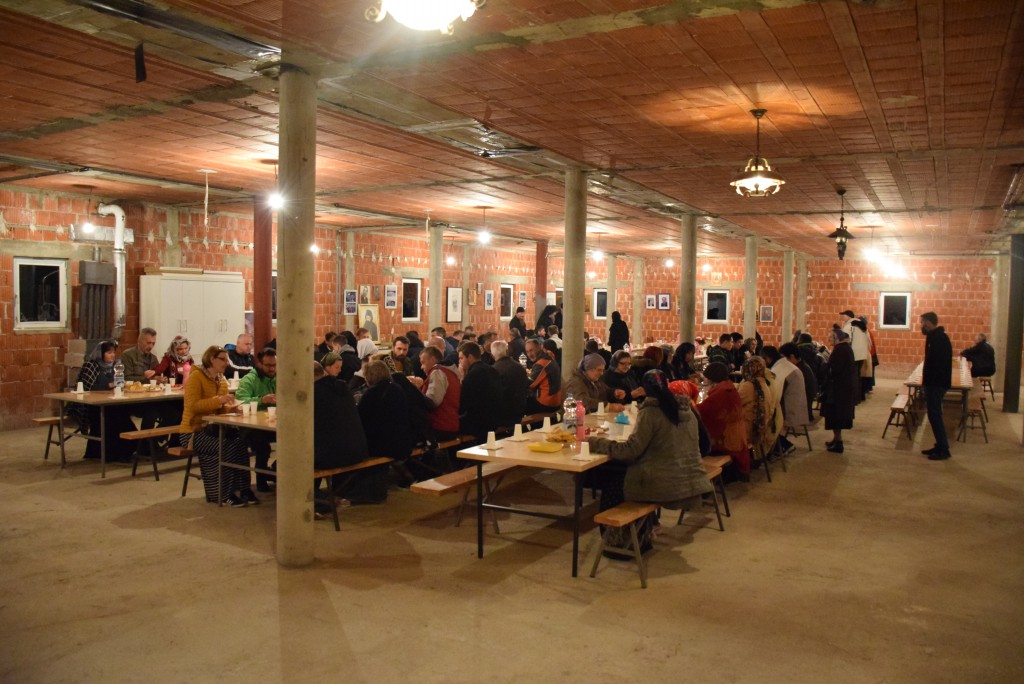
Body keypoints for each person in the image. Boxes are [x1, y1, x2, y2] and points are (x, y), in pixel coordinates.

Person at [586, 370, 713, 555]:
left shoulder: (651, 412)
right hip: (687, 478)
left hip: (663, 483)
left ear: (645, 389)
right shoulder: (686, 410)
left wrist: (595, 443)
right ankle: (648, 527)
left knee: (613, 486)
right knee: (622, 474)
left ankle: (619, 542)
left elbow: (630, 450)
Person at [180, 346, 255, 506]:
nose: (226, 363)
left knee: (240, 444)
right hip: (192, 432)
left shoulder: (221, 380)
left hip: (213, 428)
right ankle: (223, 493)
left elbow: (220, 410)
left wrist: (232, 408)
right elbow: (193, 406)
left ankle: (244, 489)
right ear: (211, 359)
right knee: (226, 447)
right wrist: (218, 400)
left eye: (227, 360)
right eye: (223, 359)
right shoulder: (196, 377)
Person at [312, 360, 371, 515]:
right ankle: (320, 496)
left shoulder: (314, 392)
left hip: (334, 455)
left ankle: (315, 499)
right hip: (357, 450)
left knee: (299, 457)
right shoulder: (342, 387)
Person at [356, 361, 413, 502]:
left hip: (382, 445)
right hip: (401, 441)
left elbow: (360, 418)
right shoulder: (397, 388)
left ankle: (358, 491)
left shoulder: (371, 393)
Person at [72, 340, 138, 462]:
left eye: (113, 352)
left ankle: (125, 451)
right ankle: (108, 453)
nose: (112, 355)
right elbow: (89, 388)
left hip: (112, 402)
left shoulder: (116, 366)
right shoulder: (91, 366)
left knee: (122, 413)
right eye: (109, 352)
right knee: (112, 416)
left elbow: (119, 384)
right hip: (93, 405)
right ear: (100, 353)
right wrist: (110, 384)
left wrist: (121, 384)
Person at [696, 362, 750, 478]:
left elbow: (699, 412)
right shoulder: (729, 388)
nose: (704, 381)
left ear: (711, 378)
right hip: (736, 438)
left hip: (726, 442)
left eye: (705, 378)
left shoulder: (720, 393)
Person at [235, 348, 278, 492]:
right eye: (268, 365)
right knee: (262, 445)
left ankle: (276, 471)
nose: (272, 369)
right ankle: (261, 479)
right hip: (250, 426)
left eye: (274, 365)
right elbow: (240, 401)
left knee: (295, 439)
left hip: (271, 423)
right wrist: (261, 400)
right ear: (259, 364)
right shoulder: (249, 379)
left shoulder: (279, 378)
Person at [762, 345, 810, 455]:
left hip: (789, 410)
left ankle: (781, 446)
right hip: (797, 405)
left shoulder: (780, 369)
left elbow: (774, 395)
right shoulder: (786, 366)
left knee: (763, 419)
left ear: (767, 359)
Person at [920, 312, 953, 461]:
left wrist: (930, 383)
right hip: (933, 382)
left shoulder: (940, 338)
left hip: (936, 383)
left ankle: (943, 449)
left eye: (922, 322)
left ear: (928, 322)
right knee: (933, 415)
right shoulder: (933, 337)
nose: (921, 325)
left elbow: (938, 364)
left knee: (935, 415)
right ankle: (939, 445)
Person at [820, 329, 857, 454]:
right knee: (836, 416)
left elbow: (835, 369)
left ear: (838, 338)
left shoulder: (840, 350)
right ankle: (836, 439)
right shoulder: (845, 348)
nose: (829, 339)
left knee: (836, 416)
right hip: (842, 388)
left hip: (838, 390)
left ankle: (838, 443)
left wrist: (826, 363)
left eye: (831, 337)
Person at [737, 356, 779, 461]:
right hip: (761, 427)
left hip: (750, 431)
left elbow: (733, 403)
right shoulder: (764, 382)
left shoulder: (749, 385)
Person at [458, 342, 502, 442]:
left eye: (461, 358)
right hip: (495, 420)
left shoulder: (472, 375)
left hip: (479, 424)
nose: (459, 362)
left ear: (469, 357)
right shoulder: (492, 370)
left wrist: (462, 379)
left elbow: (463, 405)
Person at [417, 345, 461, 441]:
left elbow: (433, 402)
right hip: (452, 424)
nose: (421, 367)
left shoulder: (437, 372)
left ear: (432, 359)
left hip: (439, 426)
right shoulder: (451, 372)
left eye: (423, 362)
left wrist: (415, 389)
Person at [491, 339, 529, 429]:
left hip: (505, 415)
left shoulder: (493, 370)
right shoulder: (519, 366)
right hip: (520, 410)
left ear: (492, 355)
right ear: (507, 351)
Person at [781, 342, 818, 424]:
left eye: (784, 358)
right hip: (805, 403)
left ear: (792, 357)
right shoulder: (802, 365)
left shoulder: (798, 370)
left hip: (800, 406)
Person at [524, 337, 561, 414]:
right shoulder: (549, 356)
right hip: (556, 399)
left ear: (539, 347)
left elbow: (530, 384)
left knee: (520, 404)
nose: (529, 354)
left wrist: (520, 377)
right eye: (527, 352)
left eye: (531, 350)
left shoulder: (541, 363)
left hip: (547, 402)